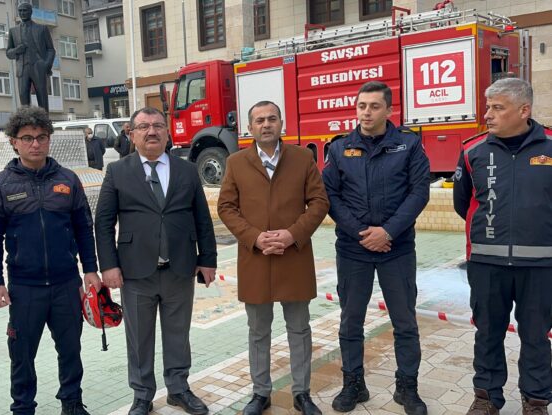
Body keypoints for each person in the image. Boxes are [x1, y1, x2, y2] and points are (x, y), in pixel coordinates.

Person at [95, 107, 217, 415]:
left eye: (158, 125)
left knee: (178, 334)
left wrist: (208, 259)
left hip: (180, 268)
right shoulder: (117, 171)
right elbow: (103, 222)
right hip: (135, 271)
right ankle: (142, 394)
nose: (152, 131)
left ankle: (178, 389)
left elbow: (202, 218)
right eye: (144, 126)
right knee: (139, 337)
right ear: (132, 134)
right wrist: (108, 265)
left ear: (167, 132)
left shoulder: (186, 170)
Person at [0, 107, 100, 415]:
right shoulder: (0, 185)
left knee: (71, 350)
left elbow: (83, 228)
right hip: (25, 288)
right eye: (27, 138)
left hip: (66, 284)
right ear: (14, 142)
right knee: (21, 354)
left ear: (49, 140)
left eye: (41, 137)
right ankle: (23, 408)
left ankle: (72, 404)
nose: (35, 144)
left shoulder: (68, 180)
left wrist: (90, 269)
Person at [321, 81, 430, 415]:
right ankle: (354, 384)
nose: (366, 112)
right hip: (353, 249)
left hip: (397, 248)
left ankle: (407, 387)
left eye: (374, 106)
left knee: (405, 322)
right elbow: (330, 195)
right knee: (350, 321)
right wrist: (362, 234)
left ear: (389, 110)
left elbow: (419, 192)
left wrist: (388, 232)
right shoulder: (340, 148)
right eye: (361, 106)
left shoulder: (409, 145)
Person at [218, 101, 329, 415]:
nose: (265, 124)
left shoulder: (302, 158)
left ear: (281, 123)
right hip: (256, 258)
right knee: (258, 331)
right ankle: (260, 393)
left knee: (299, 328)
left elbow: (319, 202)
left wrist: (293, 234)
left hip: (294, 257)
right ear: (249, 128)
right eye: (259, 120)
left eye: (271, 119)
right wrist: (254, 237)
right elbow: (226, 207)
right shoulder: (236, 162)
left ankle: (302, 393)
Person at [453, 77, 552, 415]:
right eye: (488, 107)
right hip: (486, 263)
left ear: (524, 110)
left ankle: (536, 401)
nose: (488, 115)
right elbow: (463, 203)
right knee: (487, 334)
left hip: (540, 266)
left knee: (536, 336)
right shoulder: (473, 151)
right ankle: (487, 398)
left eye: (498, 108)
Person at [6, 2, 56, 113]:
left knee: (42, 96)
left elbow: (51, 49)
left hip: (38, 66)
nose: (22, 13)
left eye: (25, 10)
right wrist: (17, 50)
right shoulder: (13, 31)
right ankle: (26, 121)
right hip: (22, 68)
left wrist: (46, 65)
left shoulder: (42, 29)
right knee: (23, 96)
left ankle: (44, 120)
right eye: (20, 11)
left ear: (31, 12)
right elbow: (8, 53)